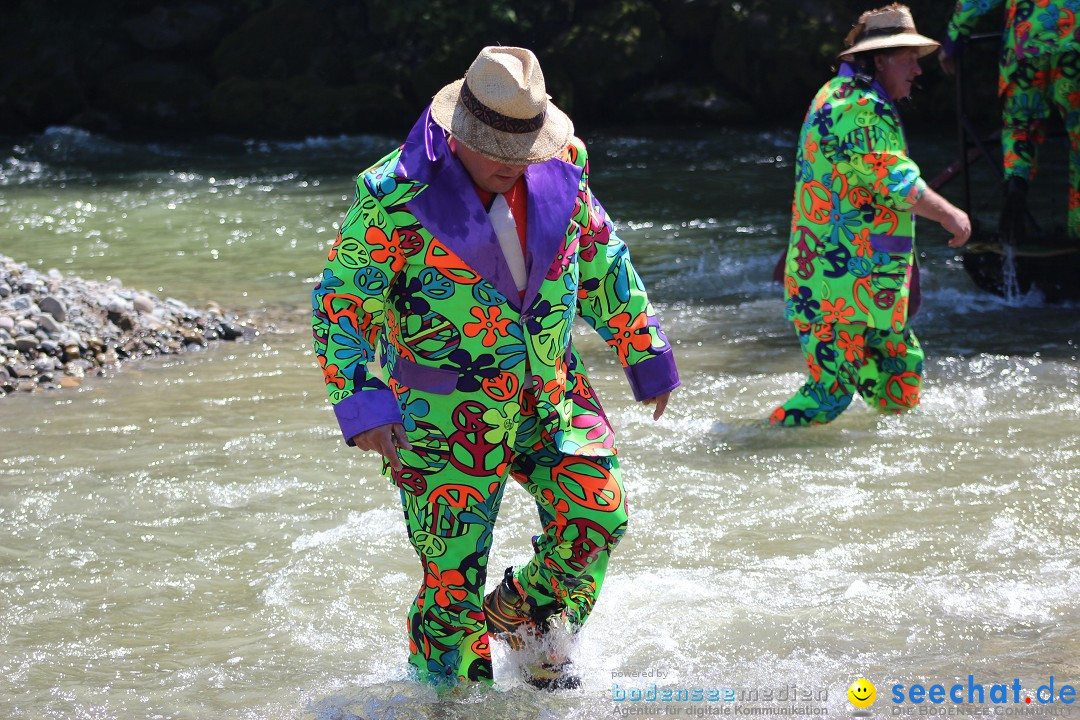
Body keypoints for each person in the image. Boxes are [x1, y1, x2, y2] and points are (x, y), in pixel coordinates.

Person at [310, 46, 679, 689]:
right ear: (459, 135)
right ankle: (451, 700)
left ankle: (526, 626)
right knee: (452, 589)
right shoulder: (393, 195)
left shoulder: (564, 163)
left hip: (550, 389)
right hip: (442, 413)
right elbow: (342, 309)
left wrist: (644, 349)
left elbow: (598, 258)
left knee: (598, 515)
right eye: (500, 150)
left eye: (525, 148)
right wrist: (364, 404)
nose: (516, 163)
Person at [771, 4, 972, 427]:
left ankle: (900, 468)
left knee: (900, 375)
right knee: (828, 395)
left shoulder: (845, 96)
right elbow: (895, 182)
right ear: (879, 59)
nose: (918, 71)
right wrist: (950, 214)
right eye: (909, 60)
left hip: (862, 282)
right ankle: (757, 444)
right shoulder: (858, 107)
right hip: (839, 284)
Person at [940, 0, 1080, 244]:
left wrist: (954, 40)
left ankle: (1016, 184)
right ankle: (1077, 232)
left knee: (1020, 126)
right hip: (1074, 43)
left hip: (1026, 43)